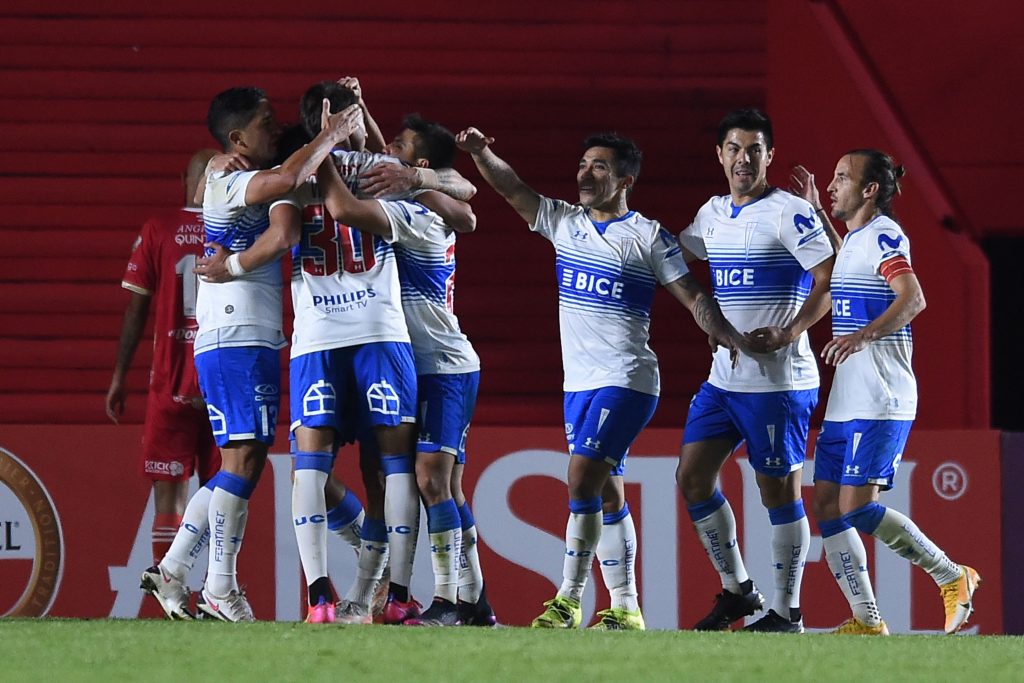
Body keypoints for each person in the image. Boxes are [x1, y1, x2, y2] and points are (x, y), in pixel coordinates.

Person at [197, 83, 477, 624]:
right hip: (381, 332)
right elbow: (464, 207)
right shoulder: (385, 170)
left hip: (318, 338)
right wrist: (371, 141)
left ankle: (320, 598)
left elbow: (281, 219)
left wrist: (229, 259)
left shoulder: (291, 173)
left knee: (311, 467)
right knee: (393, 467)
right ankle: (397, 595)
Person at [457, 126, 742, 630]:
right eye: (584, 164)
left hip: (628, 380)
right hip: (579, 386)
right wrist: (482, 152)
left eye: (599, 167)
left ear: (626, 179)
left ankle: (568, 599)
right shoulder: (565, 223)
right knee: (606, 492)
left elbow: (694, 296)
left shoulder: (649, 237)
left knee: (580, 477)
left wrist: (723, 332)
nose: (585, 174)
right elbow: (512, 190)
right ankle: (626, 606)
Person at [140, 85, 364, 623]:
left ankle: (175, 571)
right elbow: (287, 211)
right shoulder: (237, 178)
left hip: (234, 337)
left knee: (242, 461)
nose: (274, 124)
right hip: (239, 335)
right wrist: (330, 134)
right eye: (265, 122)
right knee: (243, 461)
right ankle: (219, 586)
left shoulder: (235, 175)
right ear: (238, 137)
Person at [793, 150, 980, 635]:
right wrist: (815, 209)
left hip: (881, 395)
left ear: (870, 189)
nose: (832, 186)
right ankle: (867, 620)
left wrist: (863, 335)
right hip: (847, 400)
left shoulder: (887, 235)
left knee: (856, 506)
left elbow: (913, 297)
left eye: (841, 178)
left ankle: (952, 575)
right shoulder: (857, 238)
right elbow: (848, 262)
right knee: (828, 503)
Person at [676, 108, 837, 633]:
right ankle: (739, 590)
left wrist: (791, 332)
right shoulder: (712, 214)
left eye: (755, 149)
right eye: (734, 148)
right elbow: (679, 257)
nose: (743, 158)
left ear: (770, 155)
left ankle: (788, 613)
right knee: (693, 477)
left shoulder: (790, 212)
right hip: (724, 378)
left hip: (779, 384)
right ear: (720, 155)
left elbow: (830, 280)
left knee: (778, 495)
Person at [374, 115, 495, 627]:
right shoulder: (413, 195)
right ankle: (476, 602)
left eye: (399, 146)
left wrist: (420, 182)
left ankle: (446, 600)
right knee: (449, 488)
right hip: (429, 365)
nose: (387, 151)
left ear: (420, 164)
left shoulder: (421, 211)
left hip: (443, 365)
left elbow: (466, 214)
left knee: (430, 481)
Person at [108, 149, 220, 588]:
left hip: (170, 378)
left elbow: (137, 309)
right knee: (223, 491)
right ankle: (217, 588)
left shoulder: (159, 228)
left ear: (182, 179)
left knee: (168, 494)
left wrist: (119, 375)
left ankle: (169, 590)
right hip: (220, 376)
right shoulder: (236, 224)